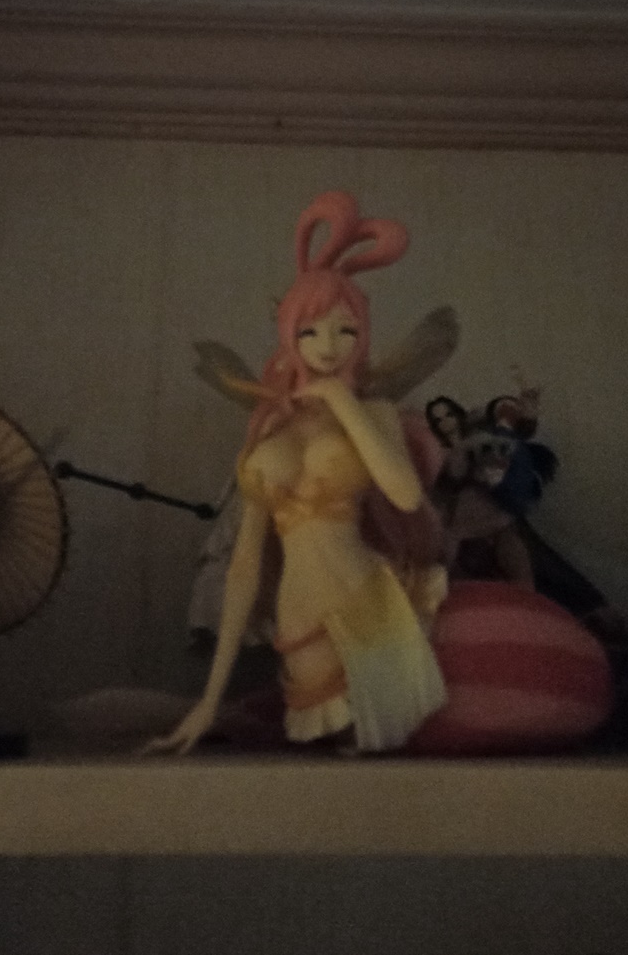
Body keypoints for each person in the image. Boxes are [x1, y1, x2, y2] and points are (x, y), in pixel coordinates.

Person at [148, 191, 446, 754]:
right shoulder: (268, 429)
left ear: (362, 335)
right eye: (310, 332)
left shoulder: (374, 413)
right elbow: (243, 568)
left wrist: (342, 400)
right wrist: (208, 701)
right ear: (288, 335)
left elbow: (406, 497)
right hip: (298, 626)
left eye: (345, 331)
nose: (328, 346)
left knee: (370, 756)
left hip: (366, 604)